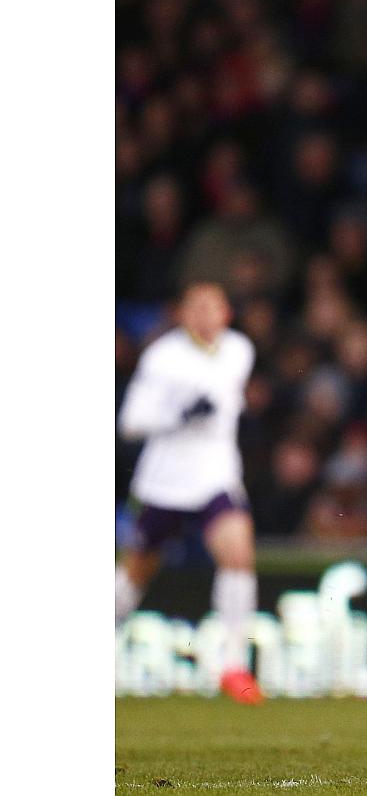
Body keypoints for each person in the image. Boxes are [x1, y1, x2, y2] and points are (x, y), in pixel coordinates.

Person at [116, 281, 263, 705]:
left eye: (211, 307)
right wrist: (176, 415)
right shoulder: (162, 357)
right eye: (195, 307)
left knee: (238, 555)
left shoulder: (239, 349)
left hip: (215, 473)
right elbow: (131, 421)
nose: (203, 315)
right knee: (134, 574)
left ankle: (234, 667)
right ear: (181, 314)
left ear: (226, 313)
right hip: (165, 479)